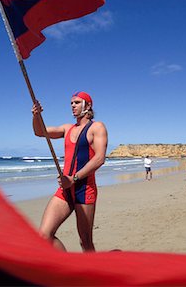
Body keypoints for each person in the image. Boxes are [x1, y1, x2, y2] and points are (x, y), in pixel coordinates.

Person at [32, 91, 108, 252]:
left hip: (84, 189)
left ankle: (95, 275)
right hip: (65, 190)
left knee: (85, 241)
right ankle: (67, 264)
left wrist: (74, 178)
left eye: (77, 102)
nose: (72, 105)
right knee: (44, 236)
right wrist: (36, 116)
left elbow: (99, 158)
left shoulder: (96, 127)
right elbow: (40, 132)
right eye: (71, 103)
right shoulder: (67, 128)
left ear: (87, 105)